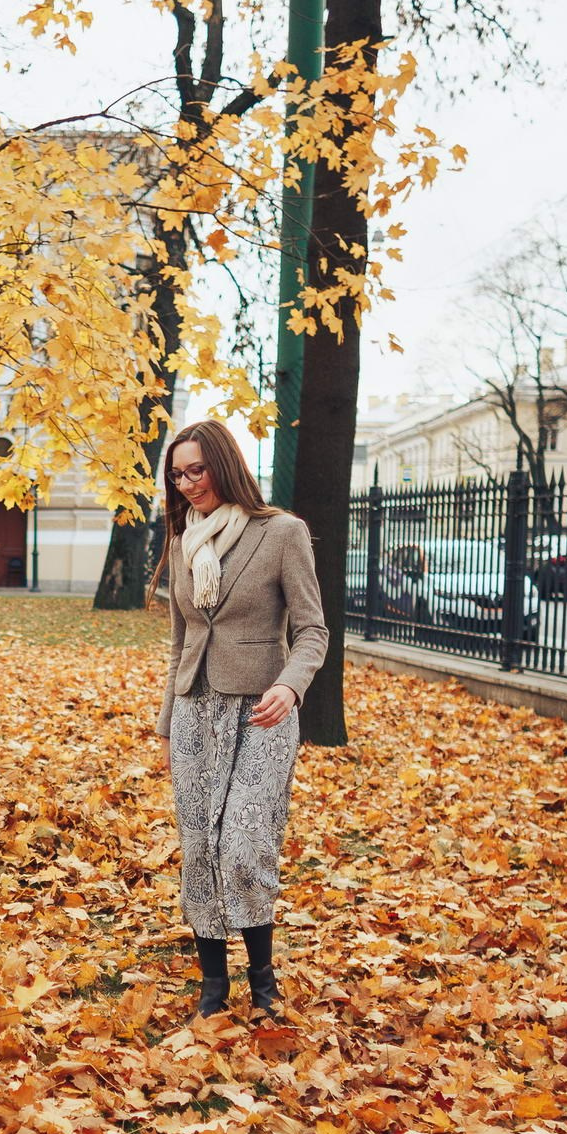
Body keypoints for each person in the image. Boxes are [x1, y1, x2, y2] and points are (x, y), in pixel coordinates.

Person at [153, 419, 328, 1016]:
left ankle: (262, 980)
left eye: (196, 470)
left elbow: (312, 629)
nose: (186, 483)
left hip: (262, 712)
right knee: (200, 846)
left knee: (245, 846)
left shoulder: (282, 533)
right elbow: (180, 641)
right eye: (177, 474)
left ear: (224, 464)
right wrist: (167, 722)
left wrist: (291, 687)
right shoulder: (183, 541)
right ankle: (212, 984)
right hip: (194, 709)